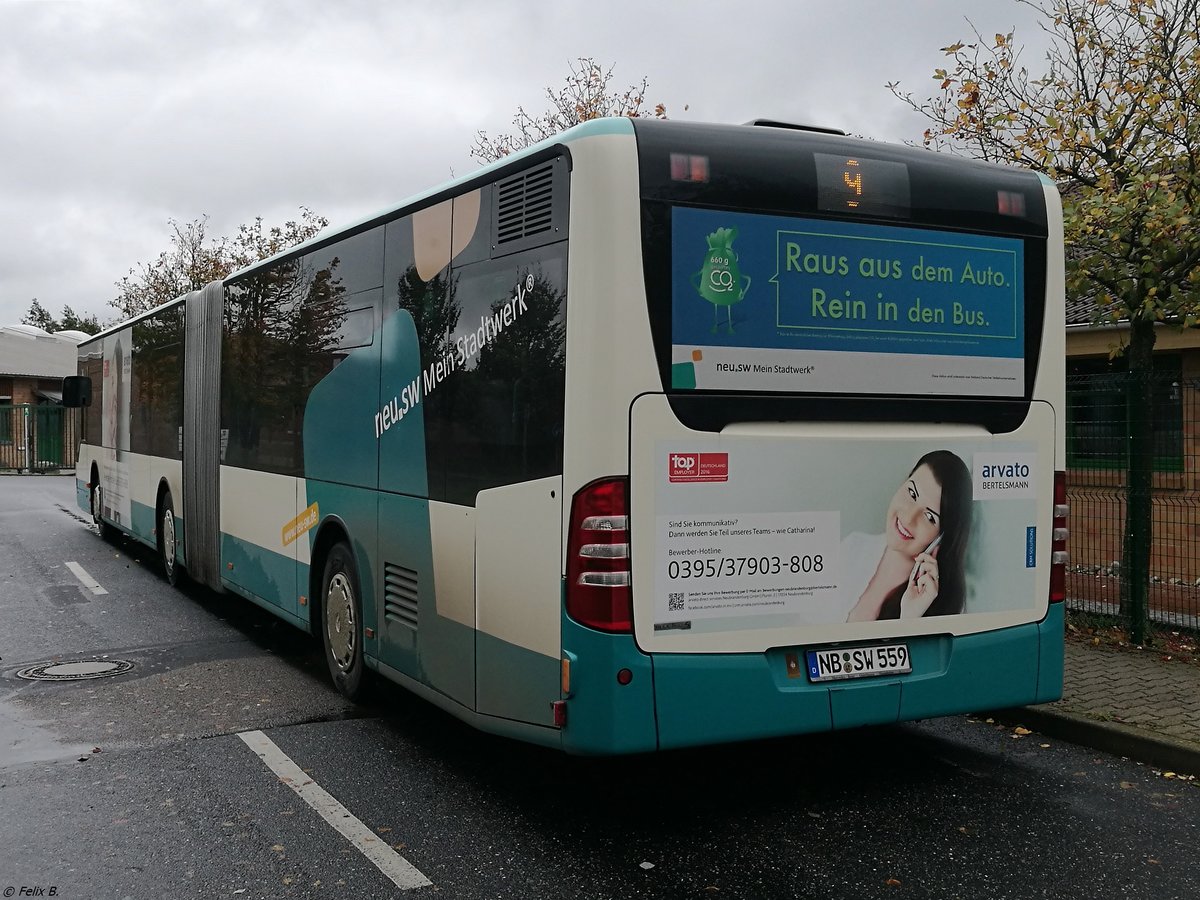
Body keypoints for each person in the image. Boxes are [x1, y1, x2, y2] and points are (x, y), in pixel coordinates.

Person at [844, 450, 972, 622]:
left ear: (941, 538)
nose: (909, 518)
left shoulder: (946, 608)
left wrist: (911, 618)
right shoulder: (854, 546)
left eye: (929, 517)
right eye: (912, 493)